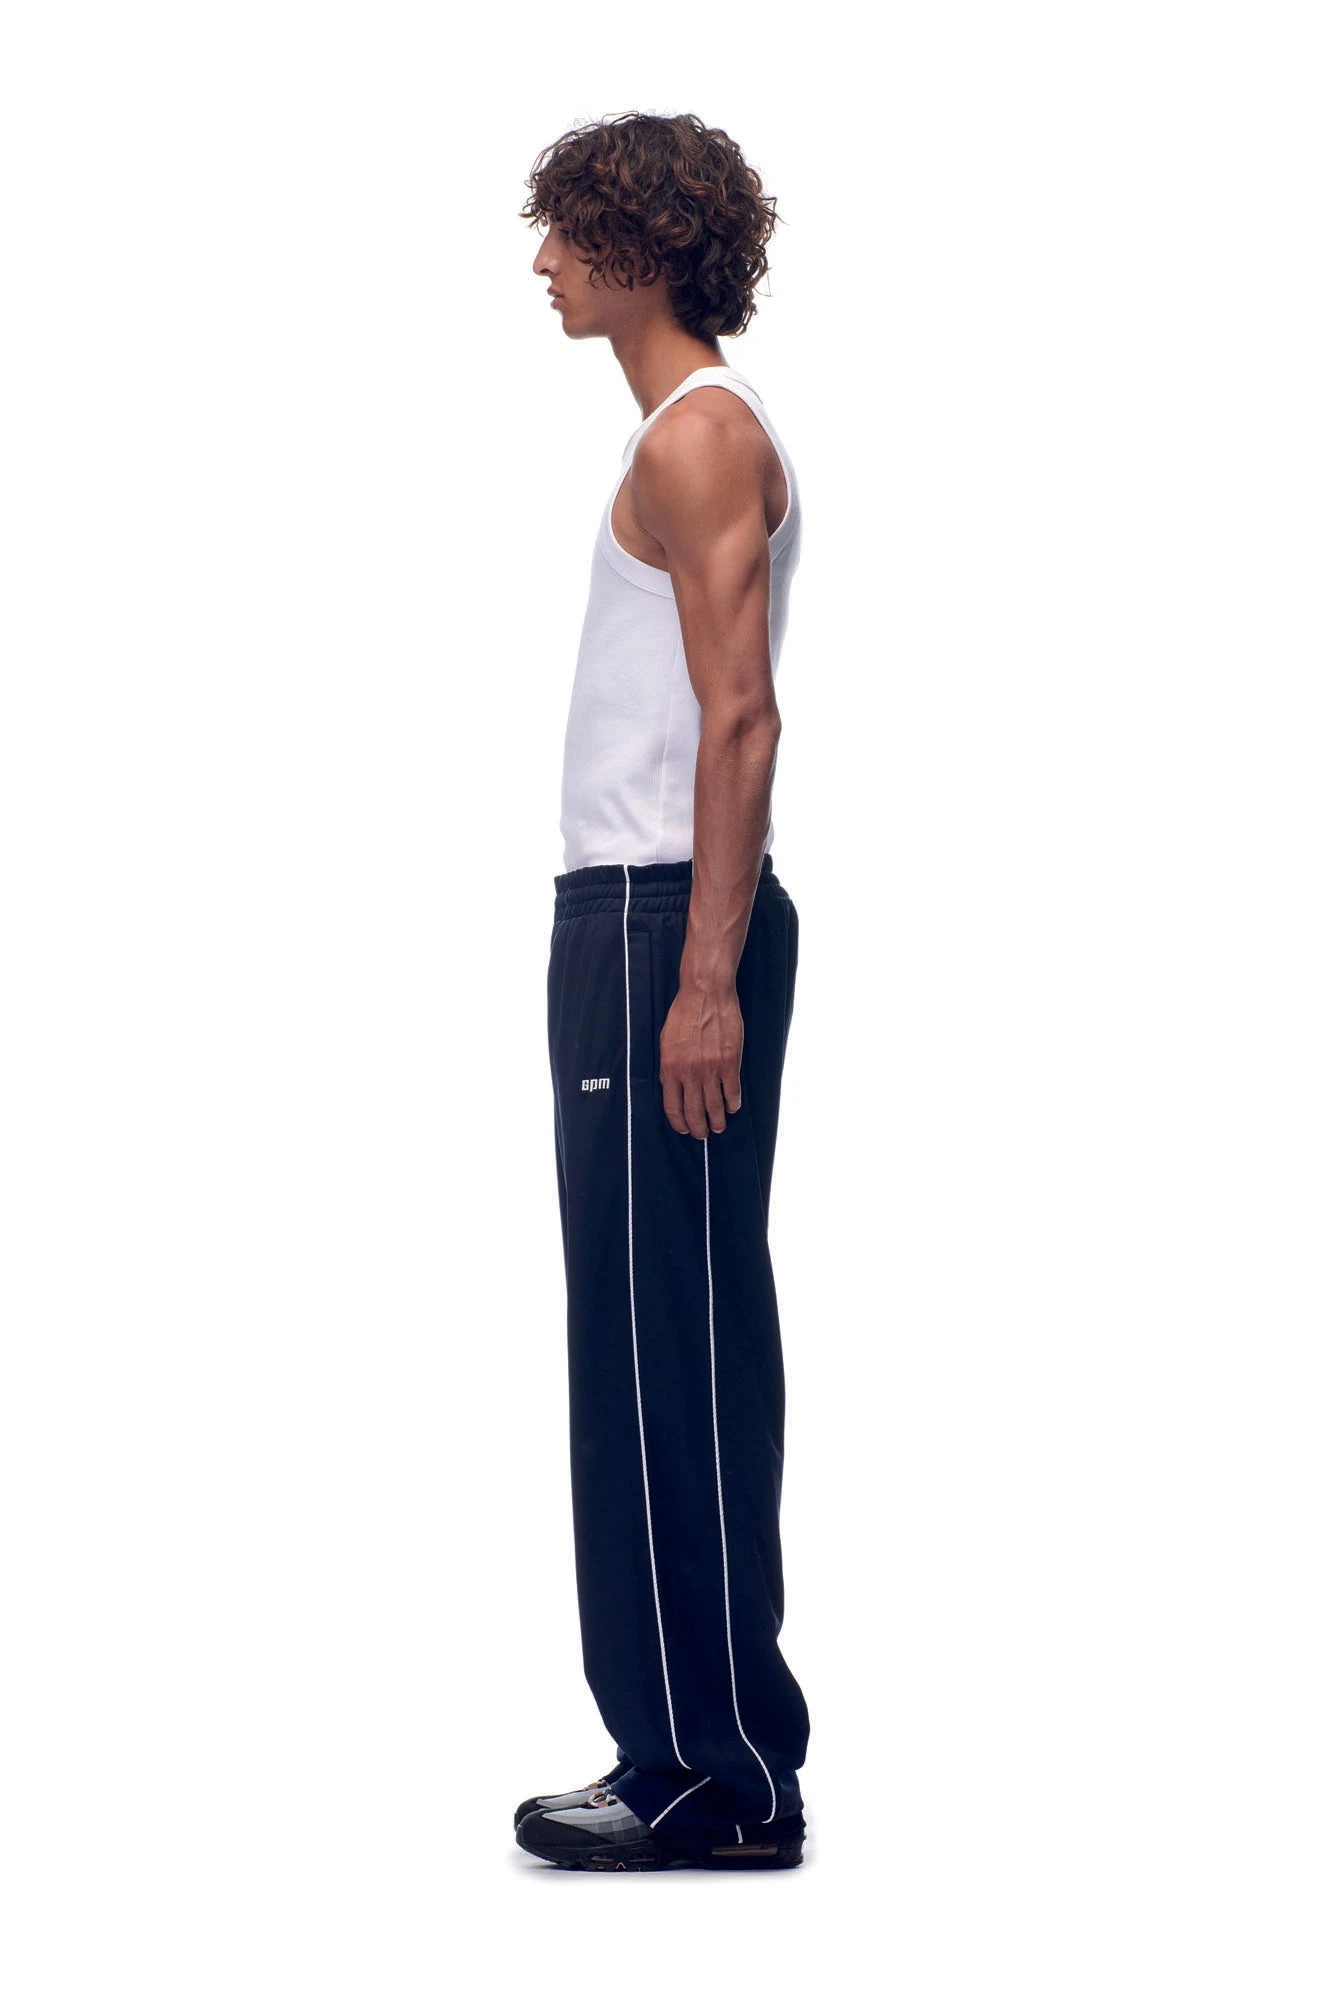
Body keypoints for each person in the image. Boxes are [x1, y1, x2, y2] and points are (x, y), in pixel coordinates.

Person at [514, 110, 810, 1873]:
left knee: (655, 1344)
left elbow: (742, 718)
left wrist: (701, 979)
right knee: (672, 1332)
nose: (543, 263)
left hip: (657, 923)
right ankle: (714, 1750)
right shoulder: (691, 432)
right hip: (643, 916)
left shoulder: (699, 436)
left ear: (641, 244)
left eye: (567, 231)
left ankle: (707, 1769)